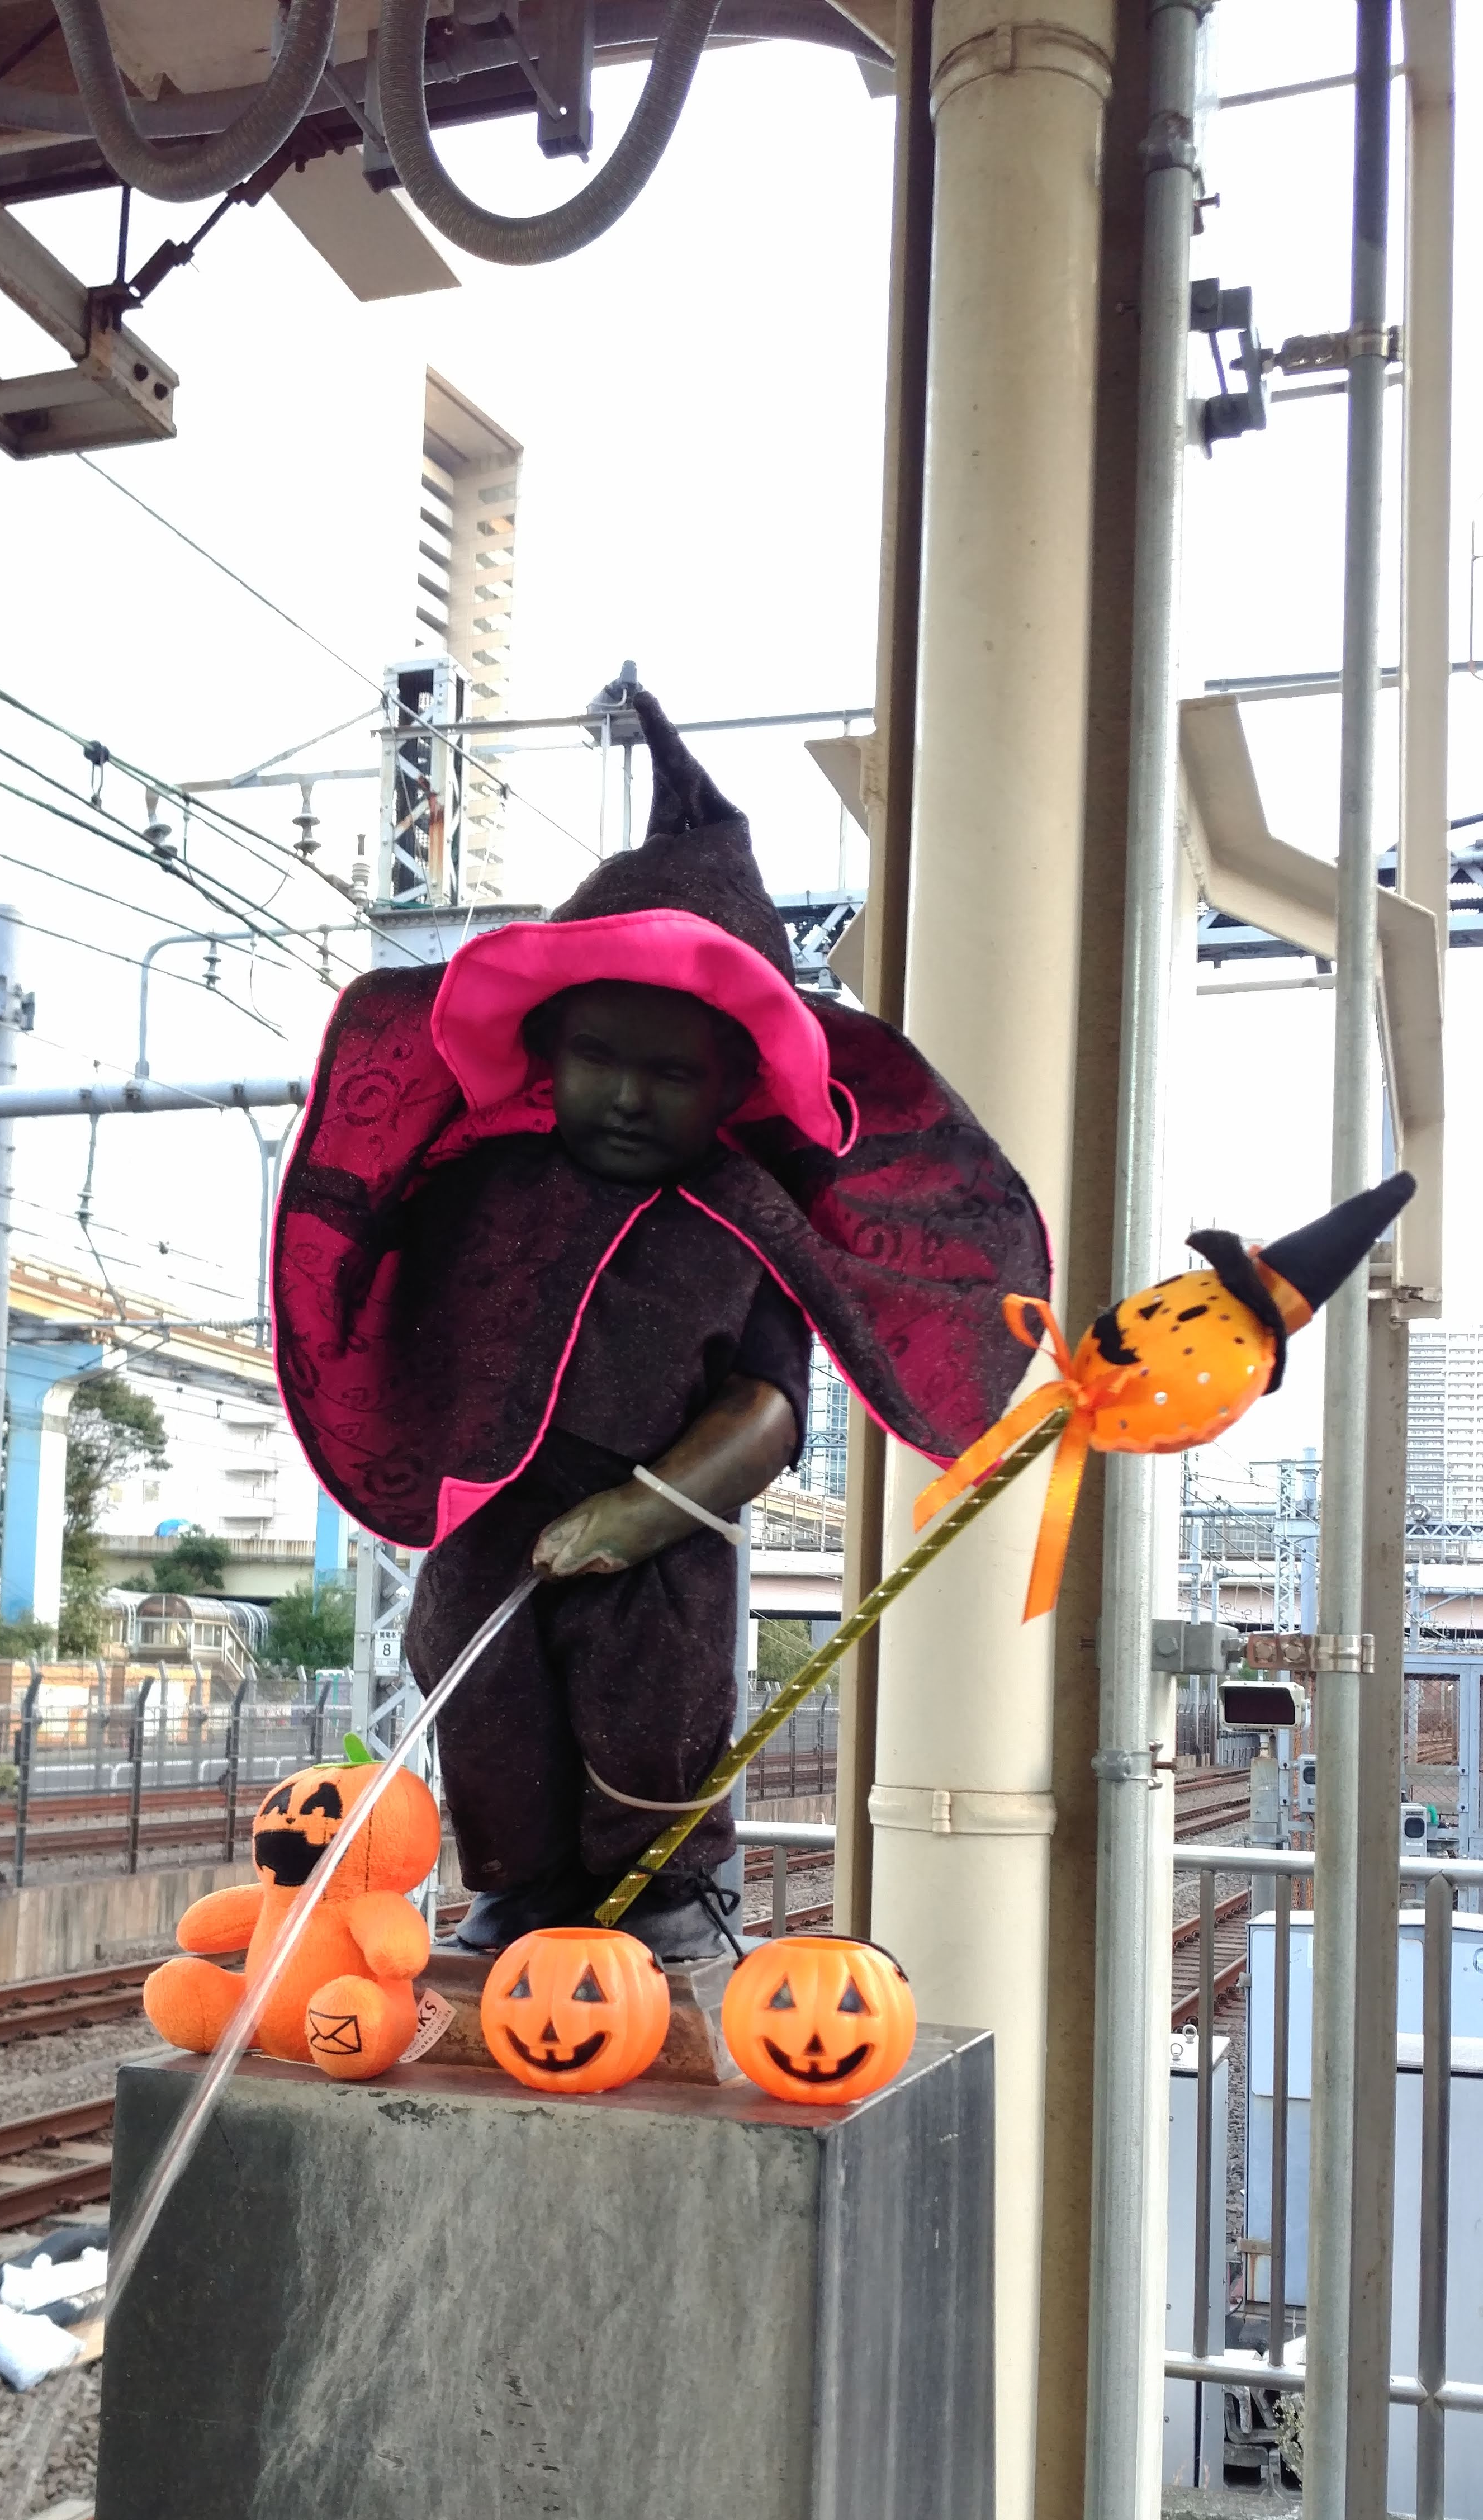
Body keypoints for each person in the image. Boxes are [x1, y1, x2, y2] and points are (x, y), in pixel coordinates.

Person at [274, 692, 1049, 1960]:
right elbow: (407, 1313)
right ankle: (517, 1886)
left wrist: (647, 1508)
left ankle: (674, 1892)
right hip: (492, 1511)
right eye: (599, 1058)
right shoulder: (479, 1185)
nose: (628, 1097)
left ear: (737, 1083)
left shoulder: (745, 1221)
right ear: (545, 1047)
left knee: (659, 1700)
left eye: (674, 1072)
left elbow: (770, 1405)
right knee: (486, 1697)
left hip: (664, 1522)